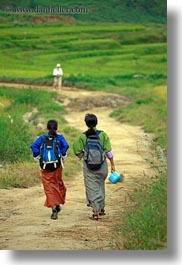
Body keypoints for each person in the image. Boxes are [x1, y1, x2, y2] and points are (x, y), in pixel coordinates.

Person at [73, 113, 116, 220]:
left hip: (89, 167)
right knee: (100, 186)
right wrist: (112, 165)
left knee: (92, 187)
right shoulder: (103, 135)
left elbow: (76, 149)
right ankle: (101, 208)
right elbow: (109, 152)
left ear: (86, 123)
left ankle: (95, 211)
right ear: (97, 122)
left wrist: (85, 156)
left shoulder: (83, 136)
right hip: (102, 166)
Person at [30, 119, 69, 220]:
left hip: (45, 167)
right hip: (57, 166)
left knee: (49, 187)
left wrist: (37, 156)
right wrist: (62, 155)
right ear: (57, 128)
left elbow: (34, 146)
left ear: (47, 128)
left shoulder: (42, 138)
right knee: (58, 183)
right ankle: (57, 204)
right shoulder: (60, 138)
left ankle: (54, 208)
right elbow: (65, 146)